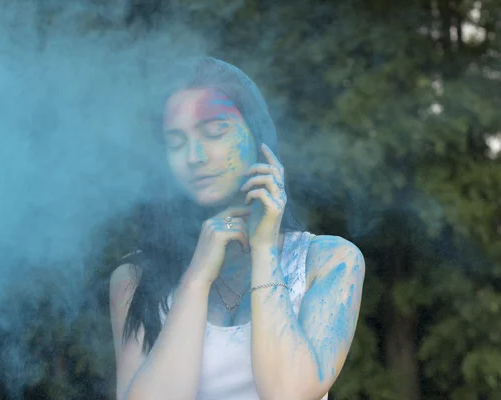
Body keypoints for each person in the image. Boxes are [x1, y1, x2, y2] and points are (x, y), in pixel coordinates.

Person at [109, 57, 365, 400]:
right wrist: (197, 277)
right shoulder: (136, 278)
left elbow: (288, 393)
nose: (194, 155)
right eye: (175, 142)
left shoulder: (331, 261)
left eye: (215, 132)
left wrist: (263, 248)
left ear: (259, 136)